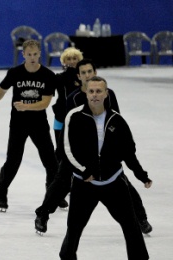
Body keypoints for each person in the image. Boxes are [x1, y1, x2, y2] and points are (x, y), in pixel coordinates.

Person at [35, 59, 152, 235]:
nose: (88, 75)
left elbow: (115, 120)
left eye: (90, 71)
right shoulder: (73, 98)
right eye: (84, 73)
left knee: (122, 182)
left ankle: (141, 219)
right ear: (79, 76)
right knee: (62, 182)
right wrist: (64, 153)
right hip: (77, 151)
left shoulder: (108, 94)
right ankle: (43, 215)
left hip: (102, 150)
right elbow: (69, 127)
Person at [58, 76, 151, 260]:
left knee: (131, 226)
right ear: (86, 93)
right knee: (74, 228)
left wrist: (141, 175)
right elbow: (66, 149)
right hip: (84, 184)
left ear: (106, 94)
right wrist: (83, 171)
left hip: (113, 182)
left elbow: (128, 153)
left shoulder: (117, 120)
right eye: (91, 91)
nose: (94, 95)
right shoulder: (74, 117)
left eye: (99, 91)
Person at [0, 39, 58, 212]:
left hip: (39, 124)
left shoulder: (48, 75)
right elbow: (1, 90)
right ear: (23, 54)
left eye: (35, 54)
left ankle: (54, 195)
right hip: (18, 124)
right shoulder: (15, 73)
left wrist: (26, 106)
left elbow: (45, 102)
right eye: (29, 54)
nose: (32, 57)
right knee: (13, 161)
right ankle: (0, 194)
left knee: (51, 162)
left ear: (40, 54)